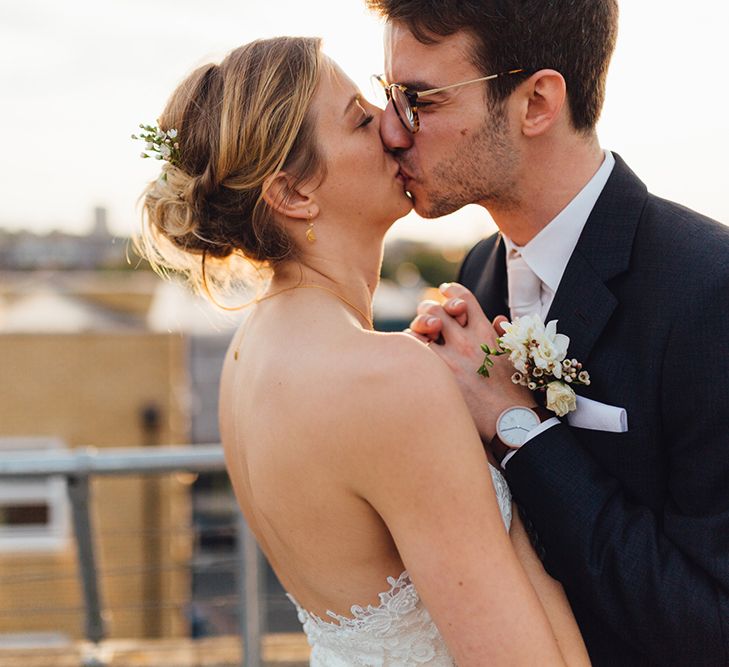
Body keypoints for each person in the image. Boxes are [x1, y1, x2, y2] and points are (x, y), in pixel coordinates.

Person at [135, 37, 591, 665]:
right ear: (293, 194)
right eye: (358, 118)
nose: (394, 126)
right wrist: (505, 425)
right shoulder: (388, 380)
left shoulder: (249, 355)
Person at [365, 0, 729, 664]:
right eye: (387, 94)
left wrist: (517, 425)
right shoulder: (475, 270)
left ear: (535, 102)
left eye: (420, 99)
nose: (391, 129)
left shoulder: (710, 290)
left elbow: (710, 621)